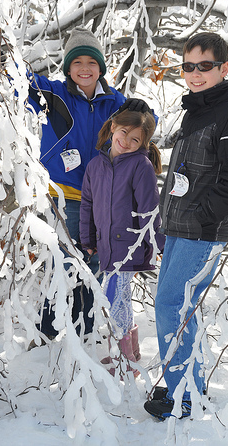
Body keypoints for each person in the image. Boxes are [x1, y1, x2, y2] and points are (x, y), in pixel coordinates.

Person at [144, 32, 228, 420]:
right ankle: (188, 385)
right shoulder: (195, 111)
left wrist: (203, 214)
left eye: (204, 66)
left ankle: (185, 396)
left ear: (224, 68)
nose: (194, 74)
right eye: (188, 66)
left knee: (171, 305)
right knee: (180, 306)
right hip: (179, 227)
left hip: (202, 231)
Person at [27, 26, 150, 339]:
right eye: (78, 62)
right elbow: (18, 82)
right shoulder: (53, 94)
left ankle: (83, 334)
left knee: (94, 265)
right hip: (64, 197)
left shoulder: (113, 103)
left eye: (92, 63)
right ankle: (49, 337)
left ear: (101, 68)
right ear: (68, 68)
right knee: (63, 265)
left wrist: (142, 110)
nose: (85, 68)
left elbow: (146, 126)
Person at [79, 108, 165, 375]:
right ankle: (130, 353)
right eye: (124, 133)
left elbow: (150, 209)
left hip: (130, 246)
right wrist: (87, 238)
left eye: (135, 139)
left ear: (144, 144)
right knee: (121, 298)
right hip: (106, 245)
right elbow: (87, 205)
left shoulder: (141, 165)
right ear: (113, 127)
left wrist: (153, 246)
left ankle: (124, 360)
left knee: (114, 297)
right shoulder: (96, 165)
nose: (126, 141)